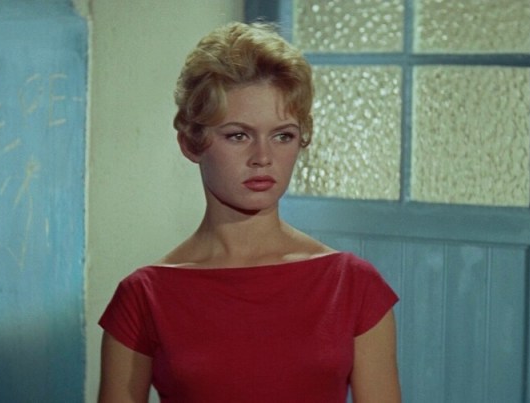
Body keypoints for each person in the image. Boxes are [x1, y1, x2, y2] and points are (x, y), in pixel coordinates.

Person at [97, 21, 401, 403]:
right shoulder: (144, 297)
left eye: (282, 136)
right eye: (238, 135)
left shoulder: (352, 286)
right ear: (191, 143)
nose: (262, 157)